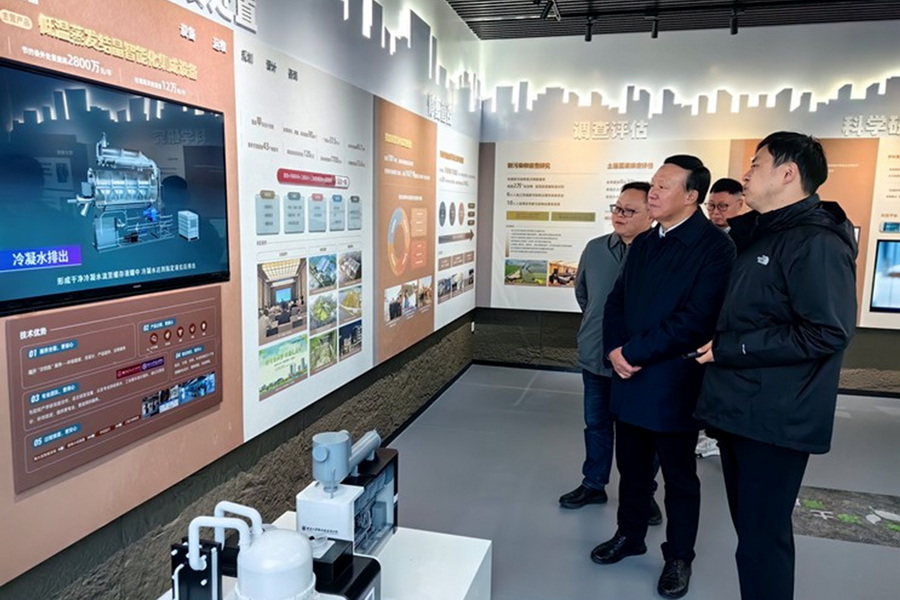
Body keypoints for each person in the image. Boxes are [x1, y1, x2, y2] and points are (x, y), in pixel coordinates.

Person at [693, 132, 857, 600]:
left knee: (763, 542)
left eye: (756, 164)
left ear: (788, 174)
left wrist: (732, 348)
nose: (745, 174)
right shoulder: (763, 234)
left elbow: (827, 331)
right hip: (744, 409)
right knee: (753, 537)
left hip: (776, 418)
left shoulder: (816, 243)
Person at [595, 155, 735, 599]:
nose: (652, 193)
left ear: (691, 196)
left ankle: (678, 557)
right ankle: (630, 534)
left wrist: (632, 352)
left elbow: (696, 320)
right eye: (653, 184)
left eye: (663, 186)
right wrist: (614, 350)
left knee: (679, 478)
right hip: (629, 374)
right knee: (631, 468)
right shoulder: (646, 241)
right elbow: (616, 301)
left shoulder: (715, 248)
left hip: (674, 380)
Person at [559, 182, 662, 527]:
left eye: (629, 211)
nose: (620, 215)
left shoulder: (660, 253)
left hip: (640, 363)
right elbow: (584, 295)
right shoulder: (596, 249)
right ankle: (593, 484)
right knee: (596, 425)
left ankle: (643, 493)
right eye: (617, 208)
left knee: (643, 434)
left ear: (651, 214)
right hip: (596, 356)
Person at [695, 176, 747, 459]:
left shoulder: (749, 238)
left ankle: (715, 435)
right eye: (711, 206)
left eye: (723, 206)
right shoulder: (702, 237)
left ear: (740, 204)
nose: (715, 212)